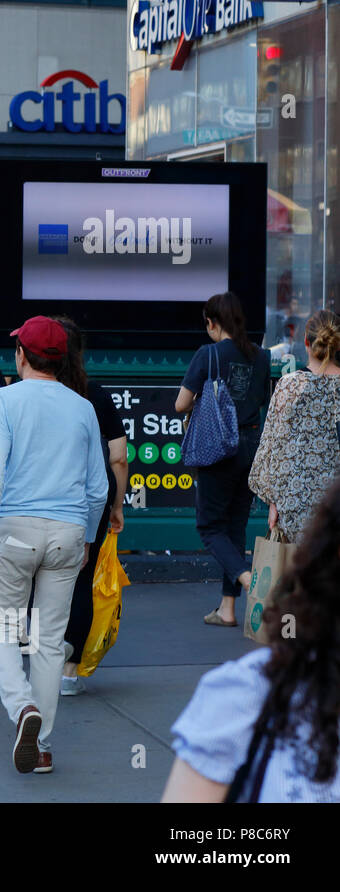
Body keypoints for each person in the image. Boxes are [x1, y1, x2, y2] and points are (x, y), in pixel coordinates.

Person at [0, 316, 107, 775]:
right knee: (51, 642)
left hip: (13, 530)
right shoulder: (82, 407)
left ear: (22, 356)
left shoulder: (5, 401)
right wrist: (88, 537)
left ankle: (21, 709)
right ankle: (44, 745)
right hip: (69, 531)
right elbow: (98, 488)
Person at [162, 477, 340, 801]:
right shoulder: (245, 693)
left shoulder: (245, 694)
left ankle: (244, 585)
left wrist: (272, 493)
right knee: (233, 525)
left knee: (216, 527)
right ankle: (238, 593)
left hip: (271, 483)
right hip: (261, 468)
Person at [175, 292, 271, 628]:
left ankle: (250, 581)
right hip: (251, 447)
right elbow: (263, 402)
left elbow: (180, 404)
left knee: (209, 526)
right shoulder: (262, 357)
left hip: (218, 450)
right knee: (235, 527)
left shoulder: (208, 354)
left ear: (213, 323)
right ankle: (228, 609)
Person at [53, 317, 128, 696]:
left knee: (44, 577)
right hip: (90, 501)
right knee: (82, 579)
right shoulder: (94, 393)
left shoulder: (31, 392)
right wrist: (117, 506)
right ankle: (69, 672)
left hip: (44, 500)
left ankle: (43, 657)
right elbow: (118, 457)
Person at [246, 310, 340, 546]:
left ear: (306, 342)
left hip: (296, 506)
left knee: (304, 576)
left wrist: (273, 504)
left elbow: (272, 449)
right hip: (335, 503)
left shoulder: (289, 386)